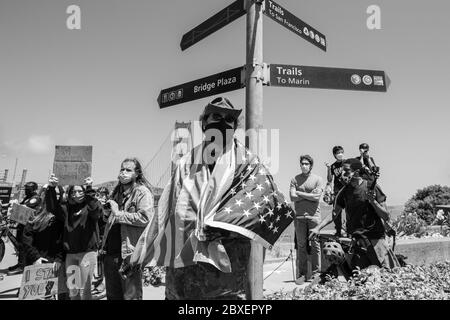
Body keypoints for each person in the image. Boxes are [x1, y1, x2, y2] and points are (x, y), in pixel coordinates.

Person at [310, 158, 400, 270]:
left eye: (346, 171)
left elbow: (386, 216)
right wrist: (317, 228)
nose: (343, 174)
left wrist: (373, 201)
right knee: (361, 280)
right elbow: (334, 213)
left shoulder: (372, 187)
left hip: (376, 242)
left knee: (388, 277)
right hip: (357, 243)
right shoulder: (344, 192)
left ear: (356, 172)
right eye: (342, 170)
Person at [101, 158, 154, 300]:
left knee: (131, 297)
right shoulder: (116, 192)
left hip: (129, 255)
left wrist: (118, 213)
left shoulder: (142, 192)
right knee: (113, 296)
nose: (123, 173)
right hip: (110, 254)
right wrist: (107, 214)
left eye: (128, 170)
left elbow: (145, 218)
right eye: (122, 169)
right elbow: (112, 219)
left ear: (137, 173)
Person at [47, 174, 103, 300]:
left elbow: (96, 212)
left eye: (80, 191)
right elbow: (52, 207)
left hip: (87, 254)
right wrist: (51, 188)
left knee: (84, 291)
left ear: (85, 192)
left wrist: (89, 188)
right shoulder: (67, 208)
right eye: (74, 191)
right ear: (70, 193)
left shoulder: (91, 206)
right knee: (73, 291)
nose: (76, 194)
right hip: (71, 255)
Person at [22, 184, 69, 299]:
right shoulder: (35, 214)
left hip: (55, 264)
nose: (55, 196)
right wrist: (35, 257)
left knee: (52, 294)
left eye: (58, 194)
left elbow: (65, 240)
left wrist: (58, 259)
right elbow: (27, 238)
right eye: (51, 193)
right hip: (37, 262)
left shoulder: (64, 216)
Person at [290, 155, 324, 284]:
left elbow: (316, 198)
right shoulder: (295, 179)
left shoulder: (318, 179)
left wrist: (300, 193)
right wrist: (308, 195)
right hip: (299, 217)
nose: (304, 166)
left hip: (314, 217)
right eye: (302, 163)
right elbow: (292, 197)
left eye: (306, 164)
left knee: (315, 246)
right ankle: (302, 275)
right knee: (301, 246)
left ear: (311, 165)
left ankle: (316, 274)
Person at [7, 181, 42, 275]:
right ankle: (20, 263)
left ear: (33, 189)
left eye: (28, 189)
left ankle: (22, 266)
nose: (26, 190)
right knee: (19, 243)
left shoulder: (35, 198)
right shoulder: (27, 197)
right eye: (26, 189)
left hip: (29, 225)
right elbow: (21, 205)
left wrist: (15, 206)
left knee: (23, 244)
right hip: (22, 223)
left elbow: (25, 206)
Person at [91, 186, 109, 299]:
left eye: (103, 195)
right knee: (96, 264)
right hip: (95, 239)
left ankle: (101, 286)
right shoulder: (94, 206)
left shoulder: (109, 207)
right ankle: (96, 285)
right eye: (99, 194)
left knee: (102, 264)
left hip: (105, 240)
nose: (101, 197)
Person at [325, 146, 346, 236]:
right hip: (337, 191)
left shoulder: (346, 162)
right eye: (338, 153)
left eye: (341, 152)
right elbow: (329, 179)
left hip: (347, 190)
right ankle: (338, 231)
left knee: (349, 212)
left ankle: (350, 232)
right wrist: (329, 168)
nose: (340, 154)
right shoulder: (333, 166)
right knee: (337, 212)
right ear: (334, 155)